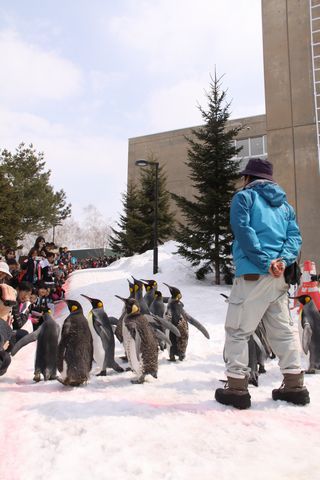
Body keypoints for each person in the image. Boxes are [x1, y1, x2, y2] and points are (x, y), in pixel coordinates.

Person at [215, 158, 310, 409]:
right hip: (278, 280)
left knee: (238, 330)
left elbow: (244, 231)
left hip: (252, 276)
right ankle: (294, 384)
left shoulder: (243, 198)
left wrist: (266, 261)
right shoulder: (285, 207)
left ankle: (236, 388)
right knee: (281, 330)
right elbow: (294, 237)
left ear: (248, 178)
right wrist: (282, 261)